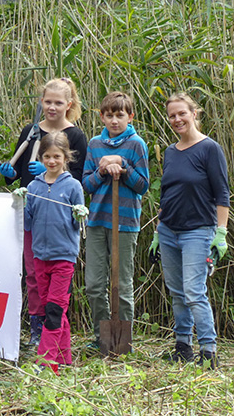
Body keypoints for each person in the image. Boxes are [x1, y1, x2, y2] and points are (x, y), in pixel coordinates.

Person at [0, 78, 87, 346]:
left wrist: (53, 172)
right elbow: (16, 173)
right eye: (47, 101)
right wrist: (11, 174)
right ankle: (36, 327)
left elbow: (80, 178)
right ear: (41, 102)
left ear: (68, 105)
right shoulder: (31, 132)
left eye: (58, 103)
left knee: (56, 276)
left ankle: (55, 330)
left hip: (58, 218)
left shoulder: (76, 136)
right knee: (33, 274)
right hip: (32, 215)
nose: (52, 107)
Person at [148, 93, 229, 369]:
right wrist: (158, 232)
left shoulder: (209, 149)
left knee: (194, 292)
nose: (177, 119)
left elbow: (222, 194)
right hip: (169, 230)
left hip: (198, 231)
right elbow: (168, 193)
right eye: (172, 116)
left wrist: (221, 233)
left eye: (182, 113)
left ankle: (208, 351)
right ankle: (183, 346)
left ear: (195, 113)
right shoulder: (170, 152)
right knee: (177, 292)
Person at [82, 91, 149, 349]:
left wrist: (123, 167)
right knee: (94, 285)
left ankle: (122, 341)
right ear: (101, 117)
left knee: (121, 284)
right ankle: (102, 337)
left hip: (125, 222)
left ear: (130, 117)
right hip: (98, 220)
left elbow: (142, 185)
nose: (114, 121)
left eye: (120, 115)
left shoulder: (136, 145)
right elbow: (87, 184)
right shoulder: (95, 144)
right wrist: (101, 170)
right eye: (109, 116)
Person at [24, 132, 86, 374]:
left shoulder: (73, 186)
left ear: (65, 157)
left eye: (57, 157)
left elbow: (77, 225)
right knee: (51, 307)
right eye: (47, 157)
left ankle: (46, 362)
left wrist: (79, 214)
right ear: (41, 157)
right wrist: (20, 204)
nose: (52, 161)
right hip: (40, 255)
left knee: (54, 309)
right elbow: (28, 223)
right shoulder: (34, 186)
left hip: (64, 256)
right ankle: (64, 358)